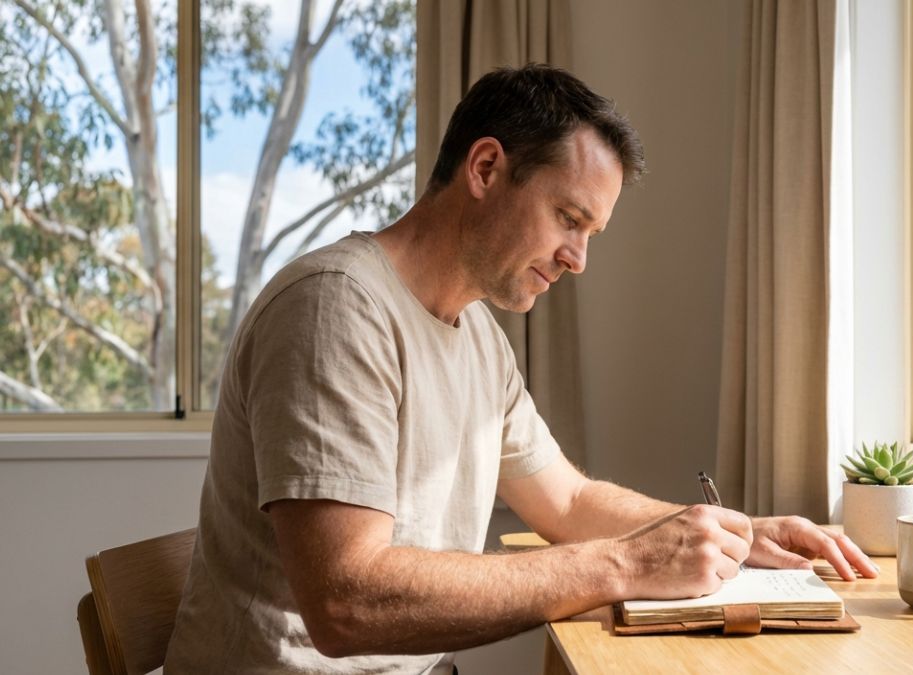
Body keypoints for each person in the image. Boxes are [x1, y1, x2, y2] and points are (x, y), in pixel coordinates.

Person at [164, 64, 876, 674]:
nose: (578, 258)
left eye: (590, 233)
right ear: (485, 168)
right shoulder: (334, 310)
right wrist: (626, 564)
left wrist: (736, 532)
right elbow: (347, 601)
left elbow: (565, 502)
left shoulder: (477, 335)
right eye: (569, 217)